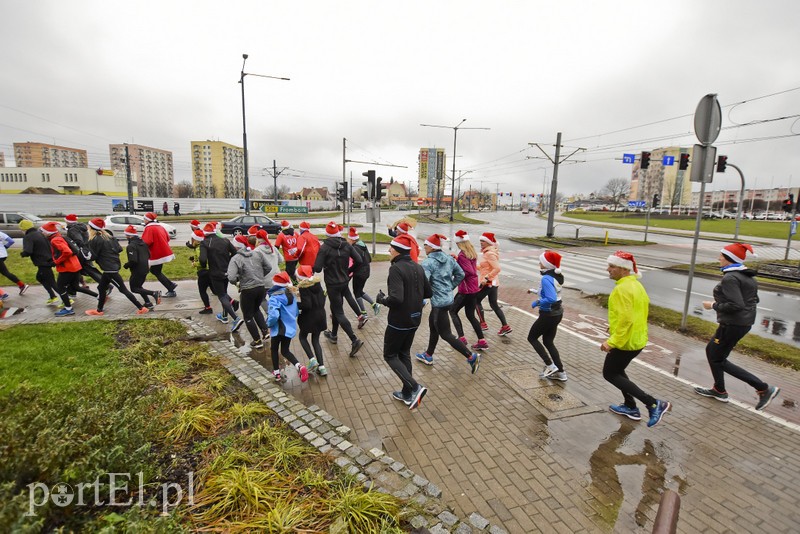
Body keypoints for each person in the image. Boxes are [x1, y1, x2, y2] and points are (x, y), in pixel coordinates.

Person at [694, 243, 781, 410]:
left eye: (721, 256)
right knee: (711, 351)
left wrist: (712, 305)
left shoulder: (730, 278)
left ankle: (763, 388)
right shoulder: (746, 276)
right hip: (742, 323)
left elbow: (736, 305)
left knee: (717, 358)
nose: (719, 258)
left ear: (729, 259)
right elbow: (753, 300)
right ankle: (719, 389)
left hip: (733, 324)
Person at [602, 251, 671, 428]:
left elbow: (627, 319)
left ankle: (654, 404)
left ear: (624, 269)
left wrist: (613, 341)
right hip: (637, 339)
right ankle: (631, 406)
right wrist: (614, 326)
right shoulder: (636, 285)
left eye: (612, 266)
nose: (608, 269)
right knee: (618, 371)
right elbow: (635, 312)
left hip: (625, 342)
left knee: (610, 373)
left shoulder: (621, 289)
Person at [375, 233, 432, 410]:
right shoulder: (418, 267)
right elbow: (428, 293)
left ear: (398, 250)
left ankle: (415, 387)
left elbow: (397, 299)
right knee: (404, 353)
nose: (389, 250)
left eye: (391, 247)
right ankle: (407, 394)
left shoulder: (396, 269)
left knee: (390, 355)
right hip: (415, 319)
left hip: (398, 321)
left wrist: (382, 299)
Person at [415, 233, 480, 372]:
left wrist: (422, 298)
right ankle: (428, 355)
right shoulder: (448, 258)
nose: (423, 247)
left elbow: (424, 283)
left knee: (446, 334)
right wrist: (450, 287)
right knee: (433, 327)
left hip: (439, 303)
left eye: (425, 245)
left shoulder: (428, 263)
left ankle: (471, 356)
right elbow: (461, 274)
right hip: (448, 299)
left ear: (431, 247)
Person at [314, 221, 364, 357]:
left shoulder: (324, 247)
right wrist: (348, 271)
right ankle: (334, 335)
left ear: (327, 234)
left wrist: (321, 263)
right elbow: (359, 260)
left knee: (338, 312)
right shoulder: (346, 244)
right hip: (344, 281)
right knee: (335, 309)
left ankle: (354, 340)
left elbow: (317, 268)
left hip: (332, 284)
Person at [85, 218, 149, 316]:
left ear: (92, 228)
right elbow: (119, 249)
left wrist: (84, 253)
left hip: (110, 269)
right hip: (112, 266)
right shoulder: (109, 236)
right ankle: (99, 310)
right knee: (101, 287)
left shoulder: (95, 239)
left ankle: (141, 308)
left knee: (123, 289)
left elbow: (92, 257)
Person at [40, 221, 98, 316]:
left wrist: (56, 261)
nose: (42, 233)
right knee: (75, 287)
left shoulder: (55, 240)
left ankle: (68, 308)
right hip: (75, 265)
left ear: (48, 232)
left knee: (60, 287)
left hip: (67, 268)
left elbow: (67, 252)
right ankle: (99, 296)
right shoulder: (61, 237)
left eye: (43, 231)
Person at [227, 235, 272, 349]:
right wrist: (259, 276)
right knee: (256, 309)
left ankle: (257, 340)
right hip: (261, 287)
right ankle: (265, 331)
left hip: (248, 289)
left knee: (247, 316)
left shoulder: (236, 258)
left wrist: (238, 281)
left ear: (236, 246)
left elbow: (231, 277)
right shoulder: (257, 253)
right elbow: (269, 267)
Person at [529, 250, 566, 381]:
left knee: (532, 338)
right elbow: (551, 292)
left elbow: (551, 297)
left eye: (541, 261)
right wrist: (534, 291)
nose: (539, 263)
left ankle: (550, 365)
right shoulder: (556, 276)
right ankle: (561, 373)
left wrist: (537, 302)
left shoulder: (546, 278)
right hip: (557, 313)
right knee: (548, 342)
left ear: (546, 264)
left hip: (548, 314)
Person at [199, 222, 243, 332]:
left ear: (205, 233)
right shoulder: (225, 240)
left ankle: (236, 318)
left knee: (222, 295)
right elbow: (235, 253)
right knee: (224, 292)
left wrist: (204, 266)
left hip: (215, 272)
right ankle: (224, 315)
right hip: (227, 271)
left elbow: (203, 260)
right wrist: (228, 260)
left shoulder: (205, 243)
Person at [449, 230, 488, 351]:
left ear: (460, 243)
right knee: (470, 315)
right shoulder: (471, 252)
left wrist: (455, 267)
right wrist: (457, 261)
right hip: (473, 288)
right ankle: (482, 340)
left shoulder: (462, 254)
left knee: (452, 310)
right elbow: (471, 268)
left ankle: (461, 338)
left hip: (465, 290)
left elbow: (468, 271)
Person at [267, 271, 309, 383]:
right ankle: (299, 366)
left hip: (278, 329)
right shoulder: (291, 295)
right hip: (289, 328)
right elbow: (295, 312)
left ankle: (276, 373)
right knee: (285, 350)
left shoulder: (274, 298)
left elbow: (274, 315)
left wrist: (269, 324)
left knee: (274, 349)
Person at [475, 232, 511, 336]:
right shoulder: (487, 252)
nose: (481, 243)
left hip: (488, 282)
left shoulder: (489, 253)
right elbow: (484, 268)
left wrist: (486, 278)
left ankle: (482, 324)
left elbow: (497, 268)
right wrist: (472, 266)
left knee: (476, 301)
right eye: (480, 241)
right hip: (493, 282)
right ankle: (505, 326)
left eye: (483, 241)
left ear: (488, 242)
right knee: (494, 304)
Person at [296, 265, 328, 376]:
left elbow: (307, 305)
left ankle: (312, 360)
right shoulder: (317, 284)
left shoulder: (303, 287)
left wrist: (296, 305)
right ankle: (322, 367)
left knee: (302, 337)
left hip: (309, 318)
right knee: (316, 340)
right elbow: (322, 299)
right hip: (320, 316)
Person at [19, 219, 58, 304]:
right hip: (48, 260)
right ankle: (52, 296)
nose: (21, 231)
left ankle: (67, 299)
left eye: (21, 229)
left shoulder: (28, 237)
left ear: (24, 229)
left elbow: (28, 251)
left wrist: (23, 254)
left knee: (52, 282)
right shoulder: (40, 234)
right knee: (40, 278)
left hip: (42, 262)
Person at [123, 225, 162, 310]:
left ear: (129, 236)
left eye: (126, 235)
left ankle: (154, 293)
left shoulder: (131, 246)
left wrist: (126, 265)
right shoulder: (143, 243)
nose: (125, 237)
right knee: (139, 286)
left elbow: (133, 260)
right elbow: (149, 255)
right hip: (145, 268)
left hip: (137, 270)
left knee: (134, 288)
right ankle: (148, 303)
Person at [141, 212, 178, 297]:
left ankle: (171, 288)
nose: (144, 220)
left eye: (144, 219)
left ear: (147, 220)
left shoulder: (149, 228)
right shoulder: (160, 226)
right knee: (156, 271)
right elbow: (168, 238)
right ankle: (170, 285)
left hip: (156, 254)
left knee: (155, 271)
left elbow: (147, 241)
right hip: (163, 252)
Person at [346, 227, 379, 319]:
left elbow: (356, 262)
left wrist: (349, 270)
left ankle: (363, 313)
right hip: (366, 272)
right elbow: (369, 259)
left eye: (348, 239)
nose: (347, 240)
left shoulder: (354, 248)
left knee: (356, 293)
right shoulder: (363, 244)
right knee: (360, 291)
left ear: (352, 239)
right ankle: (374, 305)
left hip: (359, 273)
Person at [65, 213, 102, 289]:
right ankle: (81, 285)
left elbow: (79, 240)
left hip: (80, 252)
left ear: (68, 221)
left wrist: (74, 246)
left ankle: (105, 285)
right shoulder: (81, 227)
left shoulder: (73, 229)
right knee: (80, 270)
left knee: (88, 270)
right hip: (85, 251)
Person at [185, 228, 213, 313]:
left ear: (196, 240)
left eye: (193, 239)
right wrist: (194, 259)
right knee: (217, 290)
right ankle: (231, 301)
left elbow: (203, 261)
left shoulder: (199, 248)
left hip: (203, 272)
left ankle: (208, 308)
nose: (192, 241)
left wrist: (195, 264)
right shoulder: (205, 245)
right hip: (210, 270)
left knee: (202, 291)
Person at [0, 229, 29, 295]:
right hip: (3, 254)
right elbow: (11, 241)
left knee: (5, 272)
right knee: (5, 273)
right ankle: (21, 285)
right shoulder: (1, 233)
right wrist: (5, 247)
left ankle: (2, 294)